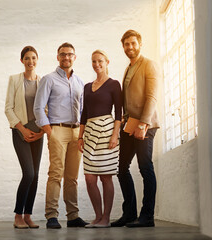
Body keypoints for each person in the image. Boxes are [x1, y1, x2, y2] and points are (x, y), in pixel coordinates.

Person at [33, 42, 88, 229]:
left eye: (70, 54)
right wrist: (50, 131)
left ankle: (73, 216)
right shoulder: (49, 79)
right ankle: (52, 216)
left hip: (76, 132)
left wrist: (82, 132)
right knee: (56, 174)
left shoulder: (80, 82)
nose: (66, 57)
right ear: (58, 57)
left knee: (72, 177)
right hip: (57, 130)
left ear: (75, 57)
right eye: (63, 54)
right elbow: (38, 107)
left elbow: (82, 109)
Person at [111, 30, 160, 228]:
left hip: (144, 125)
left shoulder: (149, 64)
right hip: (129, 125)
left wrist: (143, 123)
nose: (129, 47)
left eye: (133, 43)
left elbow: (152, 96)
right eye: (126, 44)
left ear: (140, 44)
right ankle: (129, 214)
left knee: (145, 167)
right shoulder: (128, 68)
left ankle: (147, 216)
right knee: (122, 169)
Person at [78, 50, 122, 228]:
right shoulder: (87, 86)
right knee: (90, 178)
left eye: (100, 61)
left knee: (106, 178)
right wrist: (80, 136)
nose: (97, 64)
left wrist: (114, 135)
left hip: (106, 131)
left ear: (107, 62)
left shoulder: (114, 84)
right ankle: (97, 217)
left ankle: (106, 218)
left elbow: (118, 113)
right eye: (94, 61)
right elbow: (84, 113)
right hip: (89, 132)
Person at [5, 46, 44, 229]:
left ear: (37, 59)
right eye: (27, 58)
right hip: (20, 132)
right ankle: (18, 216)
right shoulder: (14, 80)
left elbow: (47, 109)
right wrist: (21, 128)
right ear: (22, 60)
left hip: (38, 132)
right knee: (28, 173)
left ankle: (28, 215)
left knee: (35, 175)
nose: (30, 61)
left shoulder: (42, 81)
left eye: (33, 58)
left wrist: (42, 132)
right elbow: (8, 108)